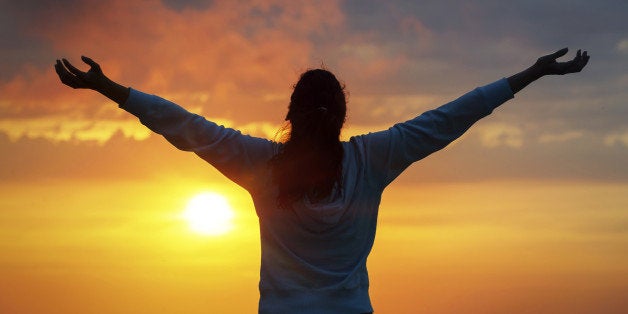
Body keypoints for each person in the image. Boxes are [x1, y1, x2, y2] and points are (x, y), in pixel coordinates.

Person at [55, 48, 589, 314]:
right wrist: (530, 74)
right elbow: (451, 117)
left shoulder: (261, 166)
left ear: (291, 114)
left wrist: (112, 90)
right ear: (341, 115)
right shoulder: (373, 158)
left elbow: (188, 129)